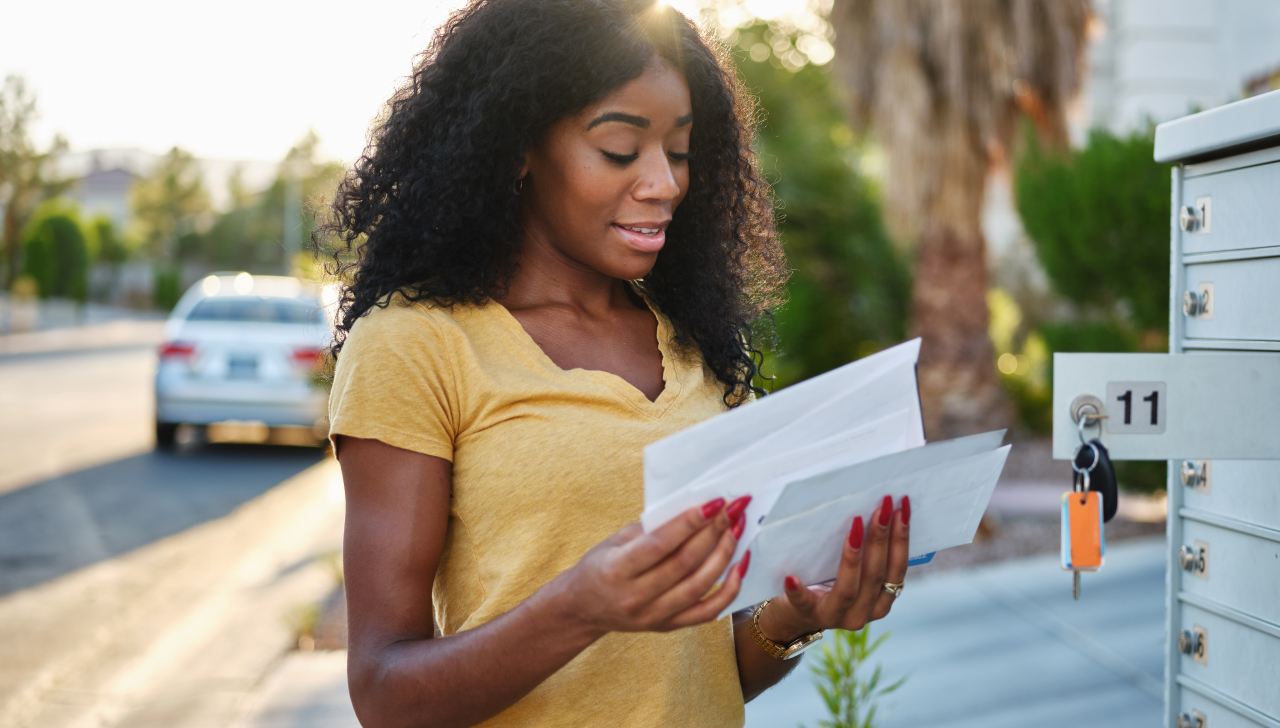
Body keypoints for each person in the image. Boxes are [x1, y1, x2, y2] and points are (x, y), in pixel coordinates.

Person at [322, 1, 910, 725]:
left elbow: (689, 676)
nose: (664, 183)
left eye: (680, 150)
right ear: (519, 148)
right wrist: (578, 608)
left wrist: (790, 618)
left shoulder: (694, 344)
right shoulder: (417, 346)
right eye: (621, 150)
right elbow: (385, 695)